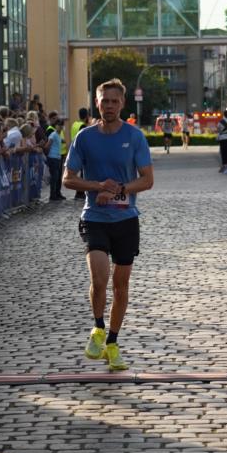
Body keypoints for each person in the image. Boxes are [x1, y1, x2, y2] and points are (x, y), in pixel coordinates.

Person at [63, 78, 153, 372]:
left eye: (115, 101)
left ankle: (113, 342)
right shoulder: (85, 138)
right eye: (105, 101)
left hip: (126, 219)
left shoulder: (135, 136)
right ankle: (98, 327)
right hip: (94, 218)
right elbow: (67, 179)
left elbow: (147, 180)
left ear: (122, 104)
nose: (110, 106)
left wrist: (119, 190)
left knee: (121, 285)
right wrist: (97, 186)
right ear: (97, 103)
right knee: (100, 278)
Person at [70, 108, 90, 200]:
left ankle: (79, 193)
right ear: (86, 116)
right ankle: (80, 192)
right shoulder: (83, 126)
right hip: (81, 151)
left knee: (75, 173)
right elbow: (84, 140)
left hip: (74, 149)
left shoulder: (74, 124)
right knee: (83, 174)